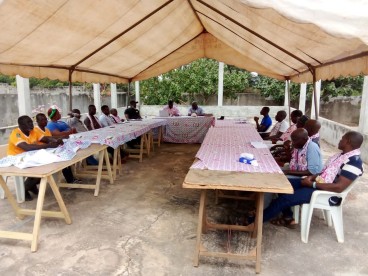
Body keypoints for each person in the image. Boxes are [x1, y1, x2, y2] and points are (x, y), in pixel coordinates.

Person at [247, 131, 364, 228]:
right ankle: (287, 216)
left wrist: (311, 184)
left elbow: (338, 188)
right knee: (281, 184)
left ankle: (252, 222)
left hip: (325, 192)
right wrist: (312, 177)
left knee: (285, 199)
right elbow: (325, 172)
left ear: (348, 141)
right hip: (317, 183)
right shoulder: (342, 155)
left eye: (342, 139)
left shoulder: (354, 162)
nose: (340, 140)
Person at [7, 115, 63, 201]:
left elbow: (46, 139)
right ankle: (24, 189)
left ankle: (31, 185)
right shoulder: (16, 133)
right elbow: (27, 148)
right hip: (16, 159)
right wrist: (48, 146)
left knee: (49, 165)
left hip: (29, 156)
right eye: (28, 123)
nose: (31, 124)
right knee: (40, 169)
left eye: (31, 122)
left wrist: (56, 140)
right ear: (21, 125)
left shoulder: (33, 131)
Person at [35, 113, 82, 185]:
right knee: (63, 158)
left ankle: (71, 179)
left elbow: (52, 138)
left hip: (49, 149)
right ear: (37, 121)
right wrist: (60, 138)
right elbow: (47, 139)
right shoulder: (36, 130)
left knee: (66, 154)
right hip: (41, 151)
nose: (45, 121)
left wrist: (61, 138)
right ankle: (70, 180)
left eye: (45, 119)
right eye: (42, 120)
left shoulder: (46, 129)